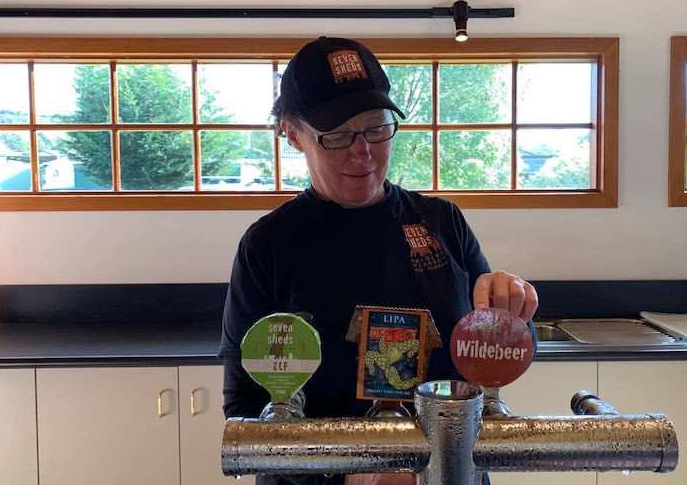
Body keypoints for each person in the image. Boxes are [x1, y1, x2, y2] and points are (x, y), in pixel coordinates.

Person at [219, 36, 538, 485]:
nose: (363, 151)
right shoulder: (268, 246)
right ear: (292, 134)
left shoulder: (441, 222)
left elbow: (493, 351)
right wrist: (349, 475)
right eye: (338, 135)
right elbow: (245, 413)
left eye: (375, 127)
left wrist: (514, 318)